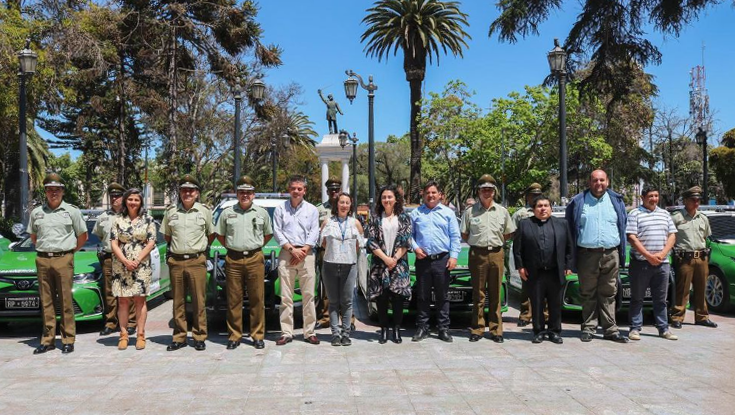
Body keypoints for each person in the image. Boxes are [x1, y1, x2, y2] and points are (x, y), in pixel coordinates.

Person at [565, 169, 629, 343]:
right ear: (589, 182)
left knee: (609, 292)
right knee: (587, 293)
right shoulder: (578, 202)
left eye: (602, 180)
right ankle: (589, 328)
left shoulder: (616, 201)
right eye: (595, 180)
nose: (598, 183)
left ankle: (610, 330)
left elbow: (622, 226)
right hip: (587, 254)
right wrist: (569, 259)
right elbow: (569, 230)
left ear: (607, 181)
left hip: (611, 253)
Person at [28, 173, 87, 354]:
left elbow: (82, 236)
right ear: (45, 191)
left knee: (65, 300)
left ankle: (68, 339)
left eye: (57, 189)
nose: (54, 193)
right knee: (46, 301)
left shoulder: (72, 211)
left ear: (63, 191)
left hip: (64, 258)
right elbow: (34, 237)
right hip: (43, 259)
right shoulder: (37, 213)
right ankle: (48, 340)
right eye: (50, 190)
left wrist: (68, 253)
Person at [216, 176, 273, 350]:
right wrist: (234, 247)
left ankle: (257, 335)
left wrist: (254, 246)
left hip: (255, 258)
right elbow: (220, 234)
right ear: (237, 194)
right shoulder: (227, 212)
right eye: (241, 192)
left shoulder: (261, 213)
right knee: (234, 300)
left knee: (257, 299)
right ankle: (234, 336)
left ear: (253, 195)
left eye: (248, 192)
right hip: (233, 258)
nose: (245, 195)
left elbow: (268, 234)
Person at [161, 174, 215, 351]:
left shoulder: (204, 211)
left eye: (191, 190)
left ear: (197, 193)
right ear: (180, 193)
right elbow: (167, 235)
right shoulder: (171, 211)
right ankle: (179, 337)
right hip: (176, 261)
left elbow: (211, 234)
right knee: (178, 301)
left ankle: (199, 336)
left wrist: (200, 250)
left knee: (199, 301)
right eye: (184, 190)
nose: (187, 193)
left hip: (196, 260)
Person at [460, 174, 515, 343]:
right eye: (484, 189)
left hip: (496, 254)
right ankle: (477, 328)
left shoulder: (502, 211)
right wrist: (480, 244)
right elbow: (464, 234)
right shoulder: (470, 212)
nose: (487, 192)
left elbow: (508, 233)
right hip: (477, 254)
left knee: (495, 293)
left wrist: (494, 244)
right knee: (478, 293)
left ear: (494, 192)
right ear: (478, 192)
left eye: (490, 190)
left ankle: (496, 330)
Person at [513, 195, 573, 344]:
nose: (543, 209)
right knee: (537, 302)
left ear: (551, 208)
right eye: (539, 206)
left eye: (546, 205)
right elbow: (517, 248)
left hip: (555, 271)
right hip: (535, 272)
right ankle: (538, 331)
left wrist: (568, 266)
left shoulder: (562, 224)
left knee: (555, 304)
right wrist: (520, 267)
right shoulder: (525, 224)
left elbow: (569, 247)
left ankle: (554, 331)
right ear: (533, 209)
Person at [410, 181, 461, 343]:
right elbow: (408, 235)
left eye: (434, 192)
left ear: (440, 195)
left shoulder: (448, 213)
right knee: (423, 295)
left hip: (442, 260)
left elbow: (455, 236)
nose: (431, 195)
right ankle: (422, 327)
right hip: (423, 260)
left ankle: (443, 328)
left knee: (442, 296)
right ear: (423, 195)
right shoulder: (416, 213)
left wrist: (453, 256)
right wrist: (416, 248)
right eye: (428, 193)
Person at [626, 186, 678, 341]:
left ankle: (663, 329)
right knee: (637, 298)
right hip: (641, 264)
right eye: (650, 196)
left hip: (662, 264)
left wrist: (662, 255)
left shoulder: (665, 214)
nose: (654, 199)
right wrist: (648, 256)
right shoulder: (635, 214)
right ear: (643, 197)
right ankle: (635, 328)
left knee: (661, 299)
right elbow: (632, 237)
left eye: (656, 195)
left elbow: (672, 236)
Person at [273, 175, 321, 345]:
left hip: (306, 254)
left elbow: (314, 231)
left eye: (299, 188)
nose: (296, 191)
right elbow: (277, 231)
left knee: (308, 295)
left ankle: (309, 332)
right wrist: (292, 250)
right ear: (289, 189)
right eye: (293, 188)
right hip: (287, 253)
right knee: (286, 296)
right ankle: (287, 332)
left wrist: (303, 250)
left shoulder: (312, 210)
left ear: (304, 191)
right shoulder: (280, 209)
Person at [110, 188, 157, 350]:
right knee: (122, 300)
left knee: (139, 300)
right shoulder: (117, 220)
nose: (133, 202)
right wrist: (125, 261)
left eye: (136, 200)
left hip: (141, 265)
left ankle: (141, 335)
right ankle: (123, 335)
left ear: (141, 202)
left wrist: (136, 260)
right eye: (130, 199)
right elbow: (113, 242)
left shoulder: (148, 219)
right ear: (125, 201)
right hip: (121, 265)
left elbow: (151, 242)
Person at [367, 185, 412, 344]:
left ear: (395, 199)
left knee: (398, 298)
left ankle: (397, 329)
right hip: (380, 264)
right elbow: (371, 242)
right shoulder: (375, 216)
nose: (387, 200)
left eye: (390, 197)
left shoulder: (404, 217)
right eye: (384, 197)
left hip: (399, 264)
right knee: (382, 298)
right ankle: (384, 330)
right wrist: (386, 259)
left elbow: (407, 242)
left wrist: (394, 259)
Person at [670, 186, 718, 329]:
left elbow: (706, 237)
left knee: (701, 288)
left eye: (698, 200)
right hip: (684, 258)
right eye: (693, 199)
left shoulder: (702, 218)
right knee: (682, 289)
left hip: (701, 257)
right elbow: (670, 237)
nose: (696, 202)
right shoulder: (676, 217)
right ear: (685, 201)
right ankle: (677, 316)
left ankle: (702, 317)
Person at [320, 192, 363, 346]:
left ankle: (346, 333)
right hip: (330, 264)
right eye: (341, 202)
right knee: (333, 301)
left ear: (351, 205)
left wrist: (346, 254)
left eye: (347, 202)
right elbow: (323, 243)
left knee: (347, 301)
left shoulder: (355, 223)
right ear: (336, 205)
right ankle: (335, 334)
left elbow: (358, 244)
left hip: (349, 265)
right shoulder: (327, 222)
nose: (344, 205)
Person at [94, 183, 136, 337]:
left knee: (128, 290)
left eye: (117, 196)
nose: (114, 199)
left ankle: (131, 323)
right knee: (109, 292)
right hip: (109, 257)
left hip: (126, 258)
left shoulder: (131, 215)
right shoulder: (103, 217)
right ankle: (111, 322)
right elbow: (100, 235)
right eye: (112, 196)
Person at [316, 176, 357, 330]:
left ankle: (349, 320)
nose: (334, 192)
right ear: (327, 191)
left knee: (347, 288)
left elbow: (357, 237)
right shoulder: (320, 209)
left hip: (346, 252)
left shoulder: (348, 207)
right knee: (327, 287)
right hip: (325, 252)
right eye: (331, 190)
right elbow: (317, 233)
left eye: (336, 190)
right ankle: (326, 317)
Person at [511, 183, 544, 327]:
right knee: (526, 288)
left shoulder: (545, 210)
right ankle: (525, 315)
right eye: (533, 195)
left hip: (543, 256)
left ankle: (545, 315)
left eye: (538, 195)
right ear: (527, 197)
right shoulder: (520, 214)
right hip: (527, 256)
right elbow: (513, 235)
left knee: (545, 287)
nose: (536, 198)